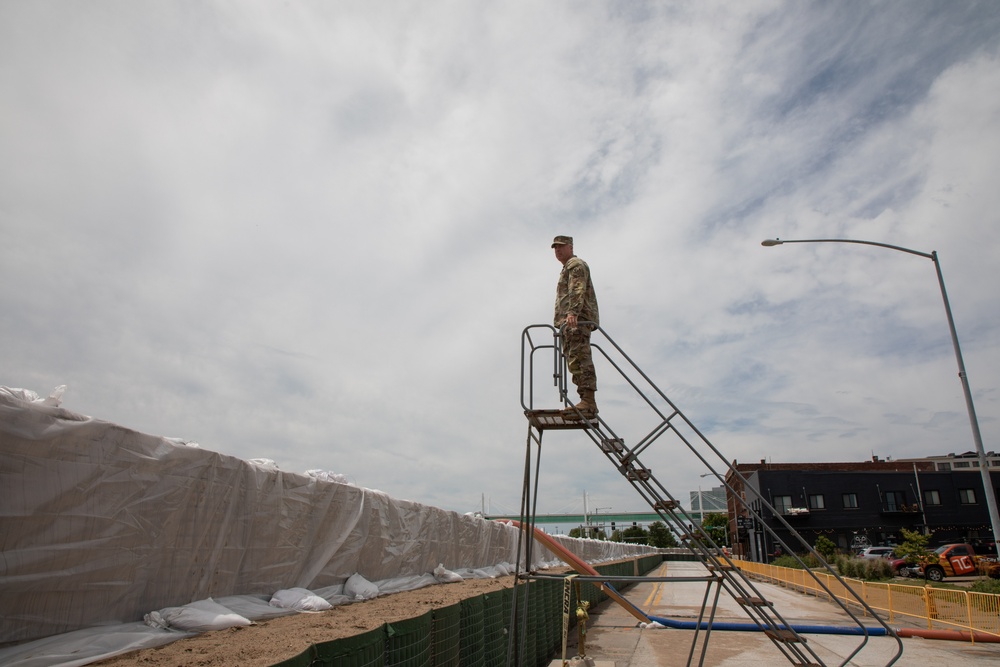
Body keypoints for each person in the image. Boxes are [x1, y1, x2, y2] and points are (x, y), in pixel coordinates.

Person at [552, 235, 600, 417]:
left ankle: (588, 401)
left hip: (576, 321)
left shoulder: (575, 264)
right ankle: (585, 401)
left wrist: (572, 313)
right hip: (570, 323)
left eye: (561, 247)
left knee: (580, 357)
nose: (558, 250)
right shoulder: (567, 267)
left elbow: (577, 289)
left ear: (570, 247)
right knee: (574, 359)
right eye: (555, 248)